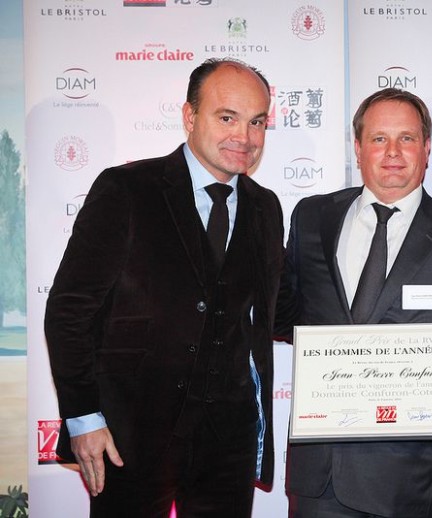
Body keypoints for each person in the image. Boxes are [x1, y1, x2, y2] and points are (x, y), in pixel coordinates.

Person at [44, 58, 292, 517]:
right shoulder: (127, 190)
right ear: (189, 116)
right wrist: (83, 418)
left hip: (228, 445)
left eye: (257, 122)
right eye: (227, 117)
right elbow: (68, 311)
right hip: (129, 437)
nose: (245, 136)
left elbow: (275, 309)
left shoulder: (265, 207)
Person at [283, 88, 432, 518]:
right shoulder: (311, 217)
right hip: (322, 480)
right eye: (379, 139)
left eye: (406, 139)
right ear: (358, 146)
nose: (392, 153)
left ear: (426, 148)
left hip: (420, 480)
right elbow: (286, 314)